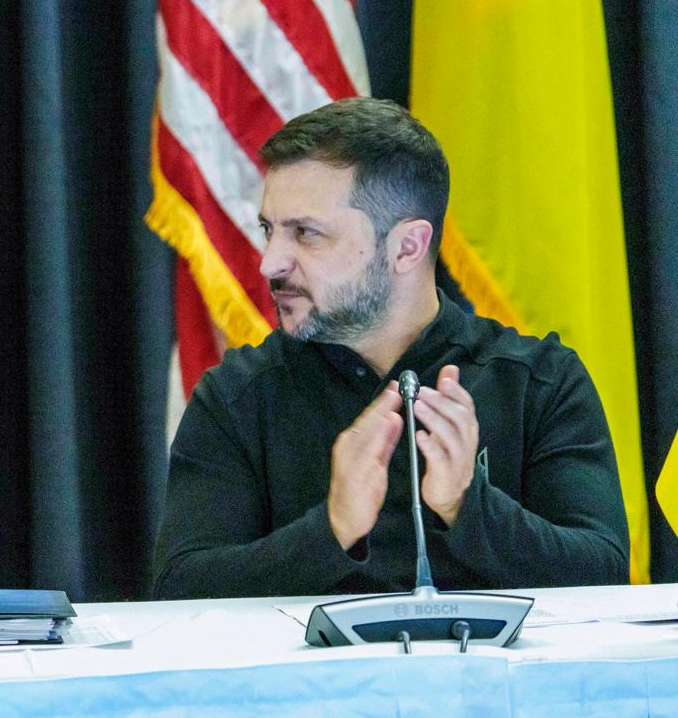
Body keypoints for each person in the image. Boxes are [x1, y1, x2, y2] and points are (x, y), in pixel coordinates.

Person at [153, 97, 628, 599]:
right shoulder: (237, 396)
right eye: (270, 230)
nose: (270, 263)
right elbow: (179, 592)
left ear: (406, 247)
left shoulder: (538, 381)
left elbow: (606, 578)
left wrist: (470, 509)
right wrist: (330, 531)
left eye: (306, 235)